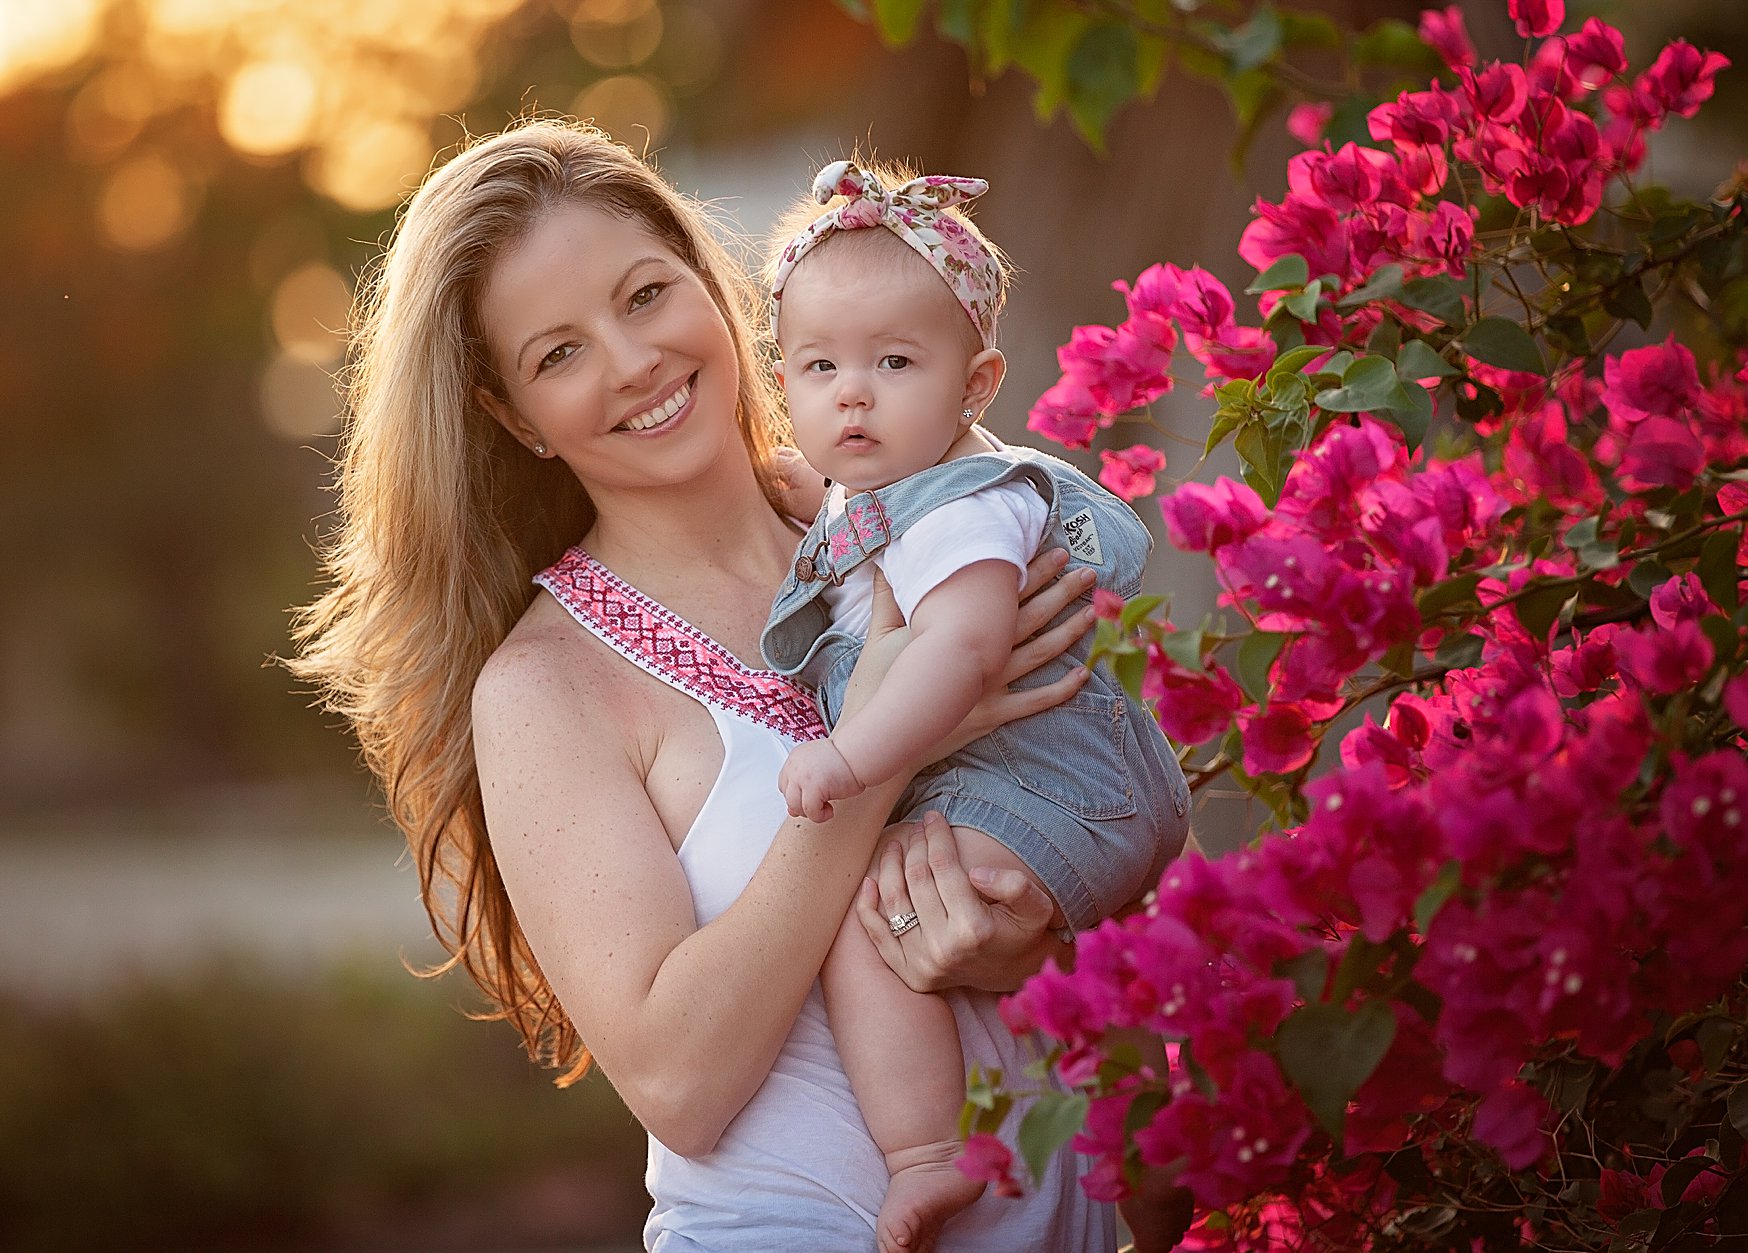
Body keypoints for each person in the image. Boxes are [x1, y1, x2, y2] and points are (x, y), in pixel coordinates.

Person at [289, 119, 1123, 1252]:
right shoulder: (546, 687)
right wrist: (882, 750)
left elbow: (1099, 806)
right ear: (510, 417)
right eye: (558, 353)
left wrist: (1032, 927)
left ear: (711, 284)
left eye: (643, 295)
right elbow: (679, 1080)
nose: (630, 360)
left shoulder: (920, 531)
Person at [760, 161, 1192, 1253]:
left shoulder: (965, 510)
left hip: (1047, 784)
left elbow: (957, 652)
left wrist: (854, 756)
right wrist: (810, 498)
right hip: (1040, 782)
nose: (850, 393)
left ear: (976, 381)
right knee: (890, 921)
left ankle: (926, 1155)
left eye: (892, 362)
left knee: (861, 928)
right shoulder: (892, 494)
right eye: (818, 367)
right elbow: (868, 544)